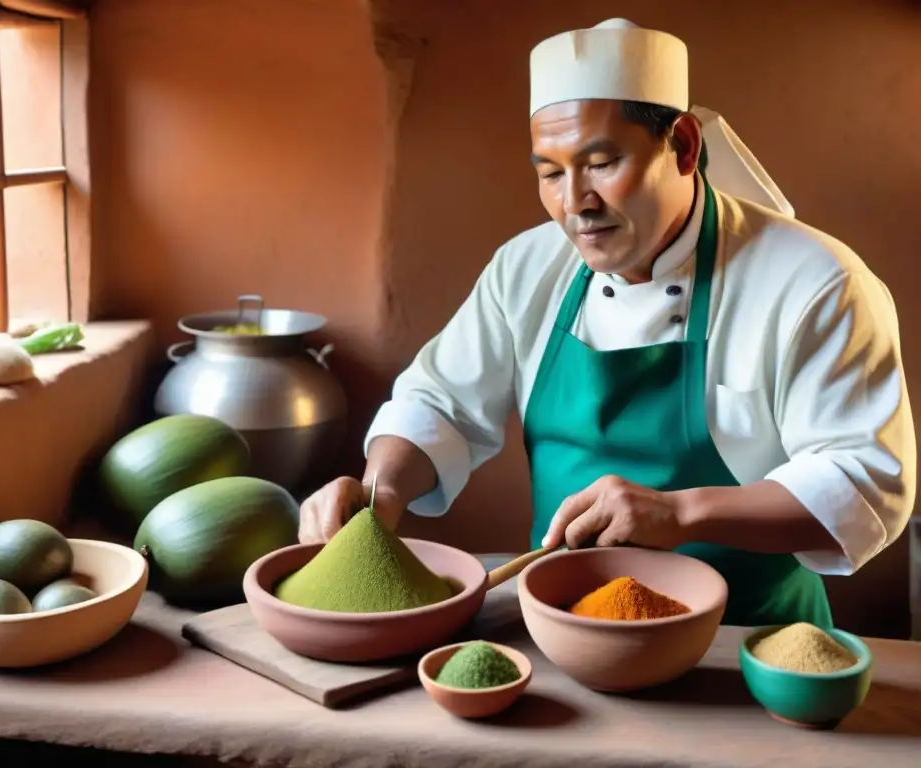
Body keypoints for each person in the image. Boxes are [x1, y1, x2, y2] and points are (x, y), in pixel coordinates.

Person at [298, 18, 916, 627]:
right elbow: (440, 403)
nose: (574, 204)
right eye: (549, 172)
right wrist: (379, 491)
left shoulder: (813, 281)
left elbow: (864, 482)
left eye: (600, 163)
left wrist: (681, 514)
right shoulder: (527, 267)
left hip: (750, 646)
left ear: (683, 146)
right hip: (567, 635)